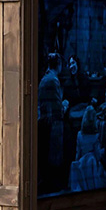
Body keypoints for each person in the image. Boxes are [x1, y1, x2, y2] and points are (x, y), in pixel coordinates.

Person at [38, 53, 65, 192]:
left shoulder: (46, 78)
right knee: (51, 155)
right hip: (51, 123)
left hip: (46, 121)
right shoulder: (52, 80)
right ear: (58, 64)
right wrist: (65, 105)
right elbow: (57, 106)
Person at [69, 106, 106, 192]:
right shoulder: (96, 136)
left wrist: (77, 162)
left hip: (82, 164)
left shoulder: (79, 135)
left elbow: (78, 152)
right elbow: (97, 154)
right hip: (92, 163)